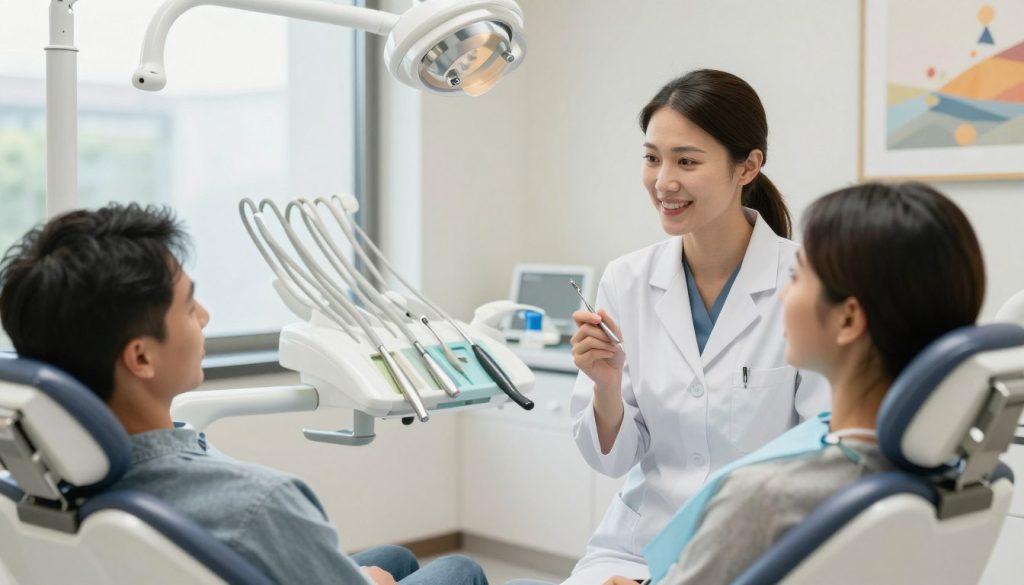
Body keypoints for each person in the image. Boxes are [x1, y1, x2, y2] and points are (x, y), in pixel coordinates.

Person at [0, 203, 488, 585]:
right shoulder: (260, 504)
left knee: (396, 558)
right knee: (458, 571)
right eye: (190, 306)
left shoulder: (35, 489)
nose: (206, 317)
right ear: (141, 358)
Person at [511, 69, 832, 585]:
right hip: (635, 549)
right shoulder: (627, 279)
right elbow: (612, 462)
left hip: (755, 554)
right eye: (652, 158)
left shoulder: (809, 281)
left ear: (747, 167)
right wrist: (606, 386)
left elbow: (823, 456)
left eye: (687, 161)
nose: (664, 182)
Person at [602, 181, 986, 585]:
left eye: (798, 278)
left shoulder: (763, 500)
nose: (783, 295)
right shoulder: (952, 475)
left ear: (849, 320)